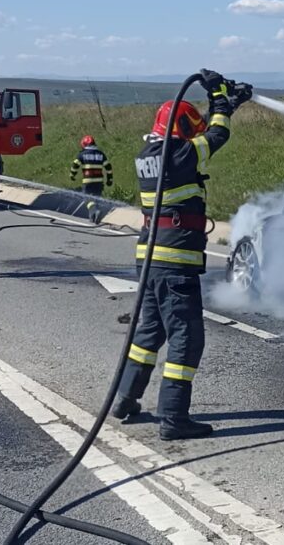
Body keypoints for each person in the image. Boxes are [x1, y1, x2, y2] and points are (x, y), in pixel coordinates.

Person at [111, 69, 252, 440]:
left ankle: (125, 399)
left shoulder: (149, 153)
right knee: (187, 336)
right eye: (190, 130)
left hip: (151, 259)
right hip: (175, 261)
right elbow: (216, 136)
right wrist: (220, 99)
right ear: (181, 130)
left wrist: (227, 105)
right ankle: (174, 418)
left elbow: (202, 132)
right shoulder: (179, 152)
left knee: (148, 333)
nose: (194, 136)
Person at [70, 135, 113, 222]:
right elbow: (108, 167)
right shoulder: (101, 154)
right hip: (99, 182)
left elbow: (75, 165)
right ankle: (94, 216)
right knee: (96, 198)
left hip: (88, 181)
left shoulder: (82, 154)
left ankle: (94, 211)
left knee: (87, 198)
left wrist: (72, 175)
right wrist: (109, 180)